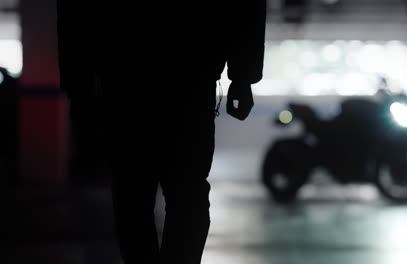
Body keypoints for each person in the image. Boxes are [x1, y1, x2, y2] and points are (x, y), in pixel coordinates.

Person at [56, 1, 266, 263]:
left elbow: (73, 11)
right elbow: (247, 9)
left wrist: (78, 85)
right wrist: (242, 76)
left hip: (125, 77)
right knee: (187, 197)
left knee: (132, 195)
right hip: (189, 75)